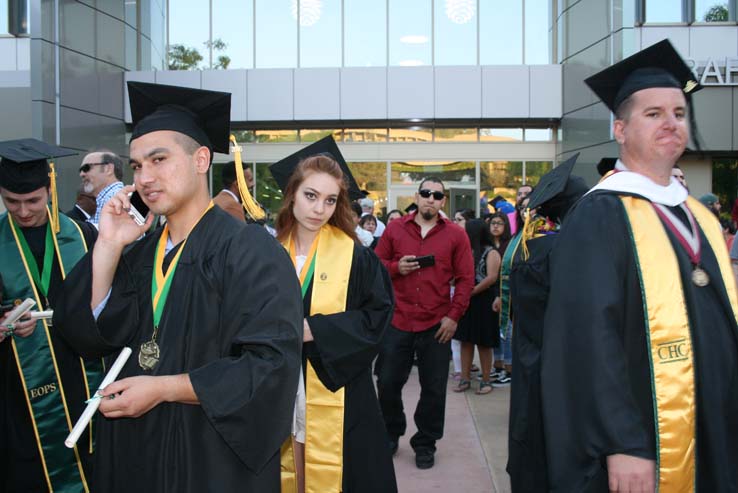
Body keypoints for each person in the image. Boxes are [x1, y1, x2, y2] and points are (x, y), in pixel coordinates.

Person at [52, 81, 303, 492]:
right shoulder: (138, 252)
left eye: (159, 159)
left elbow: (270, 367)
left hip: (209, 455)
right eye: (136, 165)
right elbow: (88, 336)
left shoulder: (251, 252)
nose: (145, 177)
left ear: (201, 159)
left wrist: (165, 388)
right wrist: (108, 245)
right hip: (135, 451)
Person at [542, 40, 738, 492]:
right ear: (621, 129)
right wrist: (622, 440)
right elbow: (588, 338)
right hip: (646, 434)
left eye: (678, 113)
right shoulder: (599, 215)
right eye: (653, 114)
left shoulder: (700, 217)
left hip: (712, 422)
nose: (670, 123)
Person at [270, 143, 397, 493]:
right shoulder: (265, 254)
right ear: (292, 193)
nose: (318, 208)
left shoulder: (355, 256)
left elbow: (377, 316)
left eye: (329, 200)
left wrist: (315, 330)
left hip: (334, 384)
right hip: (274, 382)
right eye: (310, 195)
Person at [0, 138, 101, 493]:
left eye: (33, 201)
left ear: (49, 189)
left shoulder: (82, 234)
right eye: (12, 202)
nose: (24, 211)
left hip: (79, 371)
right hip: (18, 385)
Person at [375, 177, 474, 469]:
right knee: (388, 383)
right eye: (425, 193)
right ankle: (391, 432)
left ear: (443, 201)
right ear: (417, 197)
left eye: (437, 195)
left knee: (434, 388)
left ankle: (425, 442)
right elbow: (375, 264)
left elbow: (466, 279)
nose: (430, 198)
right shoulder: (395, 229)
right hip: (398, 319)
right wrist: (396, 267)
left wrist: (454, 316)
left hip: (437, 323)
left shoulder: (456, 235)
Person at [504, 154, 587, 493]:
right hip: (560, 362)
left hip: (531, 356)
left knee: (530, 428)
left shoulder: (532, 248)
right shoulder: (569, 249)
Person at [452, 219, 500, 395]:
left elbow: (491, 277)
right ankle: (465, 378)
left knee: (484, 343)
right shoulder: (466, 251)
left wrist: (470, 291)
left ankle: (486, 380)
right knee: (465, 340)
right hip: (467, 300)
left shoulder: (491, 252)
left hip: (484, 301)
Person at [488, 212, 513, 385]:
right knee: (495, 332)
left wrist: (499, 295)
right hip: (490, 293)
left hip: (505, 294)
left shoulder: (509, 245)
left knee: (507, 332)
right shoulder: (488, 246)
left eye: (500, 223)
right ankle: (498, 366)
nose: (495, 226)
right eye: (493, 223)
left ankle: (509, 368)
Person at [79, 150, 124, 226]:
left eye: (86, 168)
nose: (82, 174)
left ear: (108, 169)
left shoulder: (117, 199)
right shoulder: (108, 199)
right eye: (80, 170)